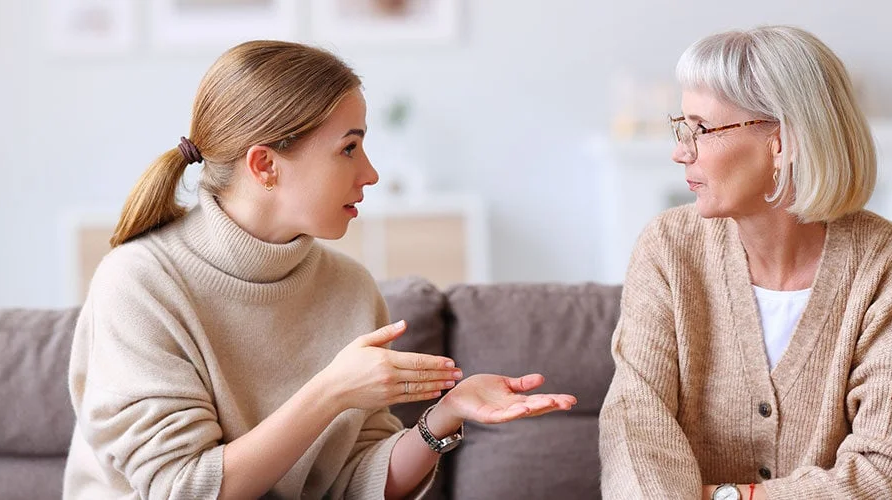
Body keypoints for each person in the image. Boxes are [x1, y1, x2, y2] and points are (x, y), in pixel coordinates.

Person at [63, 40, 576, 500]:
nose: (370, 173)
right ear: (265, 165)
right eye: (348, 148)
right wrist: (330, 392)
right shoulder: (138, 285)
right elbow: (181, 490)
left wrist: (444, 416)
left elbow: (358, 479)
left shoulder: (349, 287)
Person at [598, 25, 892, 500]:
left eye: (701, 129)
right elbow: (635, 425)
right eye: (681, 126)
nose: (680, 151)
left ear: (783, 142)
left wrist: (728, 497)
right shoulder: (669, 247)